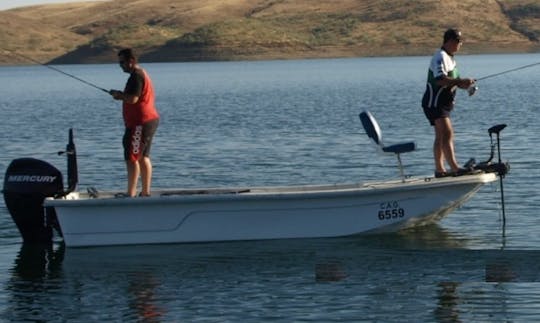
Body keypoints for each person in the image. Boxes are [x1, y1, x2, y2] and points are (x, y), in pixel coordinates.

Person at [421, 28, 476, 178]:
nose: (461, 44)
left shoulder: (450, 58)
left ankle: (440, 170)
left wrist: (465, 85)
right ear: (450, 41)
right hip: (435, 102)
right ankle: (454, 168)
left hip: (443, 104)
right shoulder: (440, 56)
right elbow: (440, 79)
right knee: (447, 133)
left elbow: (453, 82)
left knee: (440, 136)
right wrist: (460, 81)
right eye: (459, 41)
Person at [110, 48, 159, 197]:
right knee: (143, 157)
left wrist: (119, 95)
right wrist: (121, 95)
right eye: (119, 63)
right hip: (147, 120)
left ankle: (131, 193)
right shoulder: (140, 74)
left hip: (140, 122)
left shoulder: (136, 76)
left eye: (122, 62)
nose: (121, 66)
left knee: (131, 158)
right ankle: (145, 193)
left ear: (131, 61)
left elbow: (133, 99)